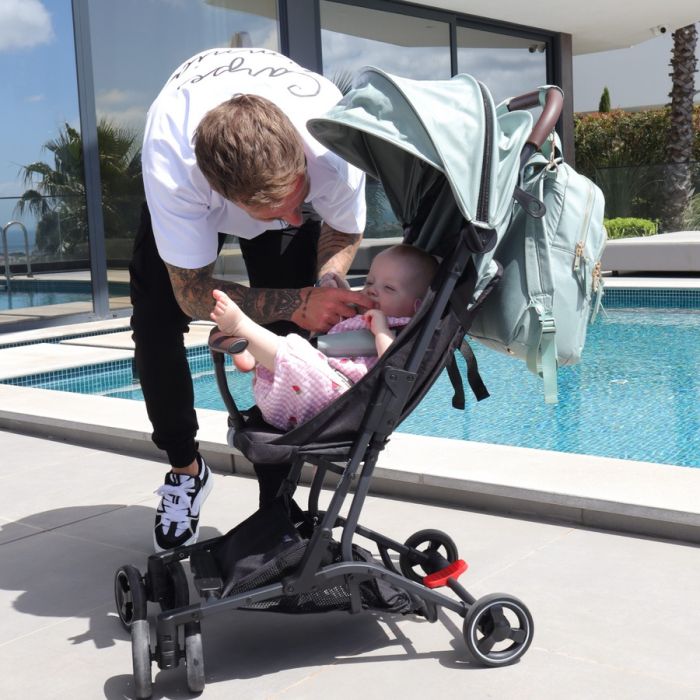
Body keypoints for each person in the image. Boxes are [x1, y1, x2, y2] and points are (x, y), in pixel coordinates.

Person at [130, 47, 375, 552]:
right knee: (155, 323)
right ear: (221, 197)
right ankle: (185, 471)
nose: (294, 220)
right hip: (187, 148)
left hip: (294, 146)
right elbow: (189, 293)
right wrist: (292, 300)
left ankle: (275, 507)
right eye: (274, 214)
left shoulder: (334, 142)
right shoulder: (174, 168)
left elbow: (343, 228)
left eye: (297, 200)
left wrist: (326, 282)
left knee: (286, 341)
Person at [210, 244, 438, 431]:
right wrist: (344, 292)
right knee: (297, 348)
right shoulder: (368, 315)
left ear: (417, 307)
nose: (372, 290)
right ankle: (254, 357)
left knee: (295, 351)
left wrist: (382, 332)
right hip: (306, 389)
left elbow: (396, 366)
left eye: (388, 288)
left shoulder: (402, 330)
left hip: (338, 398)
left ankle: (241, 327)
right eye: (369, 282)